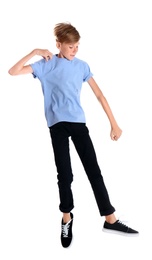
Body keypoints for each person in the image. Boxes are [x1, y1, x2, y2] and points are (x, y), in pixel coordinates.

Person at [8, 22, 139, 248]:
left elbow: (99, 95)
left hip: (79, 124)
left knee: (93, 170)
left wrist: (114, 123)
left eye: (77, 46)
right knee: (65, 175)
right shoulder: (46, 64)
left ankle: (110, 219)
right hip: (57, 126)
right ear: (58, 45)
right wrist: (35, 52)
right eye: (70, 47)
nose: (75, 50)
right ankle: (66, 218)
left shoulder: (81, 66)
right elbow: (13, 71)